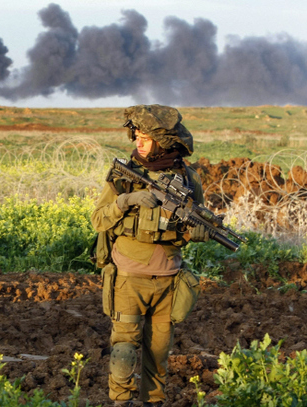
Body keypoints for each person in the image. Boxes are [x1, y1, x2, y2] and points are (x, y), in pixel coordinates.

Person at [91, 105, 209, 407]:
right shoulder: (124, 175)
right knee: (124, 349)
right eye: (137, 137)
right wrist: (126, 200)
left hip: (168, 278)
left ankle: (153, 402)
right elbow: (98, 220)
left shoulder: (186, 178)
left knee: (158, 352)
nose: (137, 143)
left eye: (145, 138)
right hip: (129, 278)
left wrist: (195, 233)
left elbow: (190, 226)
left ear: (163, 142)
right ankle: (121, 401)